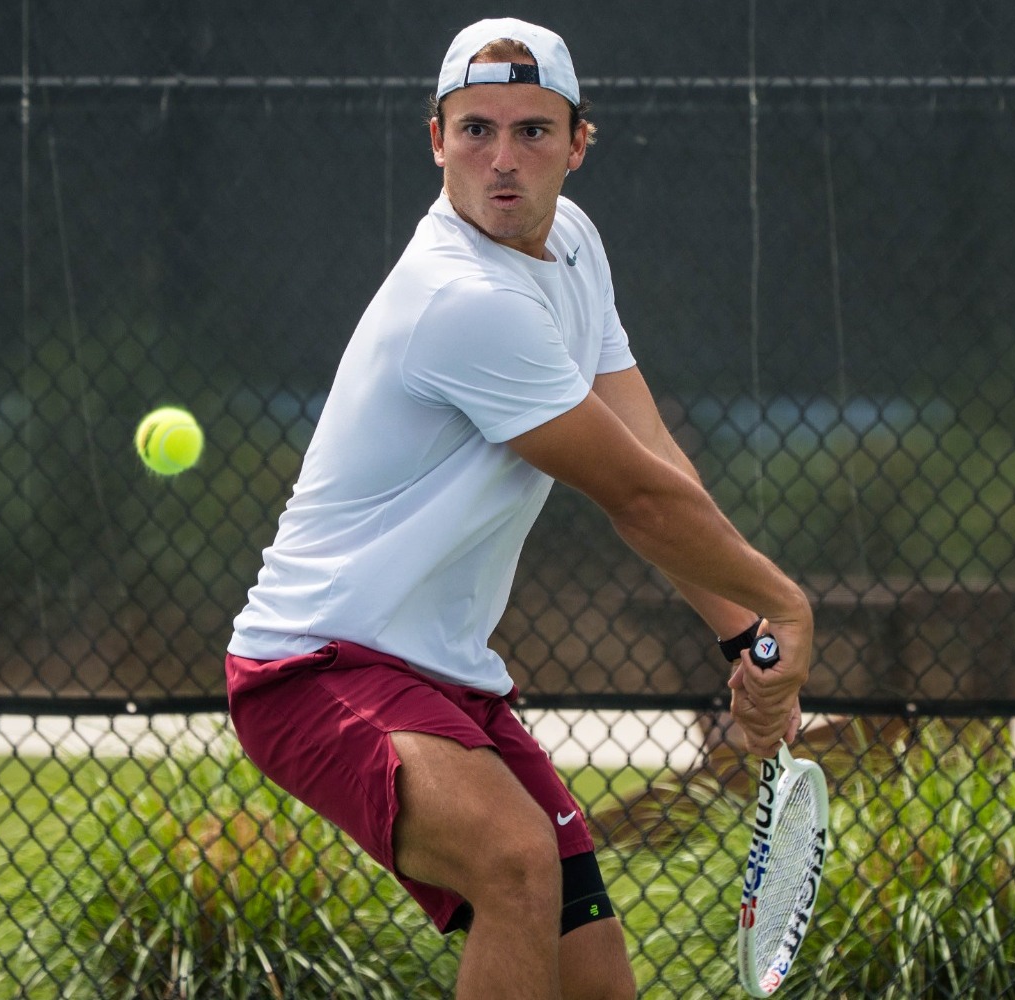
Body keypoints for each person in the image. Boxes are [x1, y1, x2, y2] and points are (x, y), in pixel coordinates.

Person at [225, 17, 813, 999]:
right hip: (311, 665)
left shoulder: (571, 247)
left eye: (532, 131)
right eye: (475, 130)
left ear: (578, 144)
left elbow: (654, 462)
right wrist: (785, 608)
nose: (502, 160)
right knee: (511, 860)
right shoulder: (462, 299)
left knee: (592, 976)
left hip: (445, 678)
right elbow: (630, 496)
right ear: (435, 141)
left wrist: (744, 638)